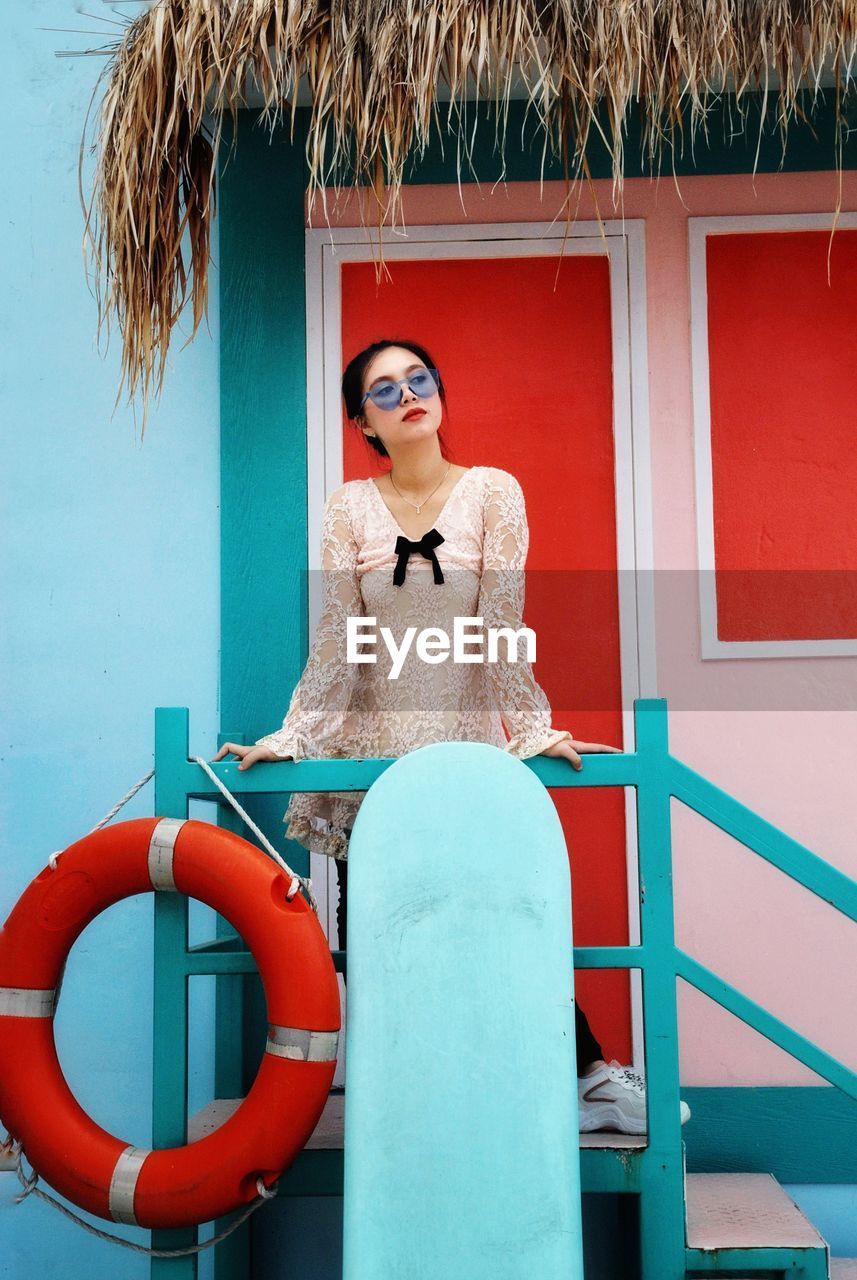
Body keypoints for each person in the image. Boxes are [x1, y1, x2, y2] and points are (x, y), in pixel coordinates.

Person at [212, 339, 690, 1135]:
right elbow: (338, 635)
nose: (407, 396)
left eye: (418, 379)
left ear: (438, 394)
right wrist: (296, 735)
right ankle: (413, 1104)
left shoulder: (492, 494)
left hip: (463, 755)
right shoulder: (347, 509)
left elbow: (501, 621)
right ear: (363, 422)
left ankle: (588, 1079)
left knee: (499, 917)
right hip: (368, 762)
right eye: (383, 390)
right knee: (386, 936)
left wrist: (531, 727)